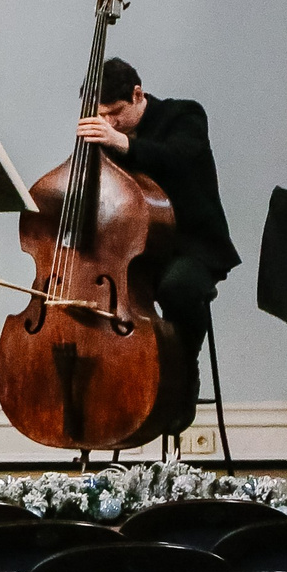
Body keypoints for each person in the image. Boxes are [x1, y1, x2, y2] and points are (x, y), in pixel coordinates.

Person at [79, 57, 239, 380]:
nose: (109, 123)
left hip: (190, 246)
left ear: (138, 94)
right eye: (101, 116)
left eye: (115, 113)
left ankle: (181, 373)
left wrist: (121, 144)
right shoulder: (106, 135)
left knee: (177, 288)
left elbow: (176, 160)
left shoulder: (184, 116)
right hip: (132, 250)